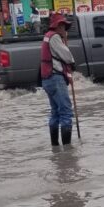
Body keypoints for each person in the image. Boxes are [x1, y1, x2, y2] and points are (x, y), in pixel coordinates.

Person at [41, 13, 76, 146]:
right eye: (62, 26)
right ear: (58, 26)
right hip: (55, 78)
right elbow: (66, 55)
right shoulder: (54, 37)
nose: (64, 29)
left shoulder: (47, 36)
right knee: (66, 112)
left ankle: (55, 148)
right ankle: (67, 150)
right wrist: (72, 63)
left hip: (47, 79)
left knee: (55, 112)